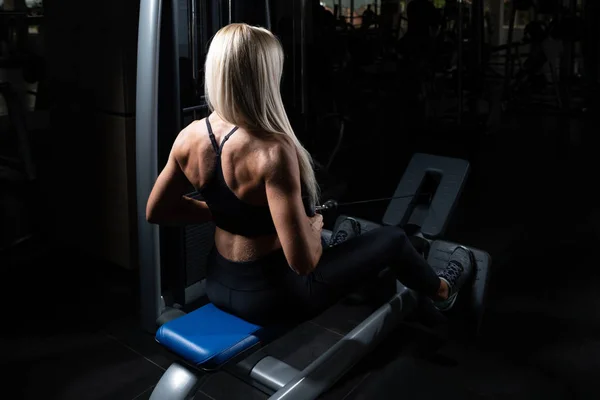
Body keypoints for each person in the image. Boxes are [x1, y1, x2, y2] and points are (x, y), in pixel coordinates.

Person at [146, 23, 474, 326]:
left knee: (331, 244)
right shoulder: (271, 151)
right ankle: (444, 293)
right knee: (394, 238)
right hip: (273, 298)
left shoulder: (189, 137)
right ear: (264, 77)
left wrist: (221, 210)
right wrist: (313, 227)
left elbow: (157, 211)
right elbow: (303, 263)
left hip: (217, 282)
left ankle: (350, 259)